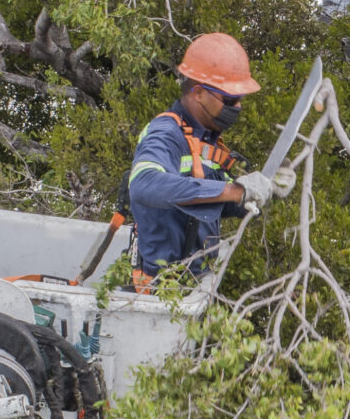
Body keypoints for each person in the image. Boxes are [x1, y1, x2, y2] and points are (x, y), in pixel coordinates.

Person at [125, 33, 294, 290]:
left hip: (195, 284)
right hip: (159, 290)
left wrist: (262, 190)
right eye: (229, 100)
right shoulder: (166, 133)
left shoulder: (206, 140)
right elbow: (143, 184)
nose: (237, 107)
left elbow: (213, 202)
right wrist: (231, 190)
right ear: (199, 93)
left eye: (239, 100)